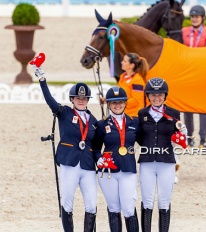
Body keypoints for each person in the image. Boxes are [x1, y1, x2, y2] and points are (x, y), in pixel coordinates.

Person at [34, 66, 98, 232]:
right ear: (72, 98)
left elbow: (97, 144)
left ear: (88, 99)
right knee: (67, 203)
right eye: (77, 97)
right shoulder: (64, 113)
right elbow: (50, 101)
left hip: (88, 166)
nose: (81, 100)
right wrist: (42, 80)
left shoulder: (94, 121)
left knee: (91, 205)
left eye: (84, 98)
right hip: (70, 164)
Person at [137, 78, 187, 232]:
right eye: (153, 94)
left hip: (167, 162)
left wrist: (180, 137)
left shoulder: (174, 113)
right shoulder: (142, 113)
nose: (156, 97)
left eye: (160, 94)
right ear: (148, 96)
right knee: (147, 201)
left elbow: (180, 135)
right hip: (147, 162)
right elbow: (139, 137)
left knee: (164, 201)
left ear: (165, 95)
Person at [94, 86, 140, 232]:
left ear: (125, 103)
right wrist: (98, 158)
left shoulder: (135, 122)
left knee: (128, 208)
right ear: (108, 104)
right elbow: (95, 147)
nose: (117, 105)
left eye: (120, 102)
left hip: (128, 169)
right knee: (113, 208)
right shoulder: (102, 124)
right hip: (108, 171)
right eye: (114, 102)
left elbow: (147, 141)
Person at [182, 5, 206, 148]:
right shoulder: (183, 32)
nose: (194, 19)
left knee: (203, 108)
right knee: (187, 108)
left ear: (203, 18)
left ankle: (203, 139)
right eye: (192, 17)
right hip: (187, 75)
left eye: (197, 16)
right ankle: (189, 137)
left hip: (202, 74)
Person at [118, 52, 149, 118]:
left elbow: (135, 101)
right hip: (122, 114)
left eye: (125, 61)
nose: (122, 62)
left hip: (133, 116)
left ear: (132, 65)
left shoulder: (137, 80)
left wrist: (118, 103)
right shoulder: (122, 76)